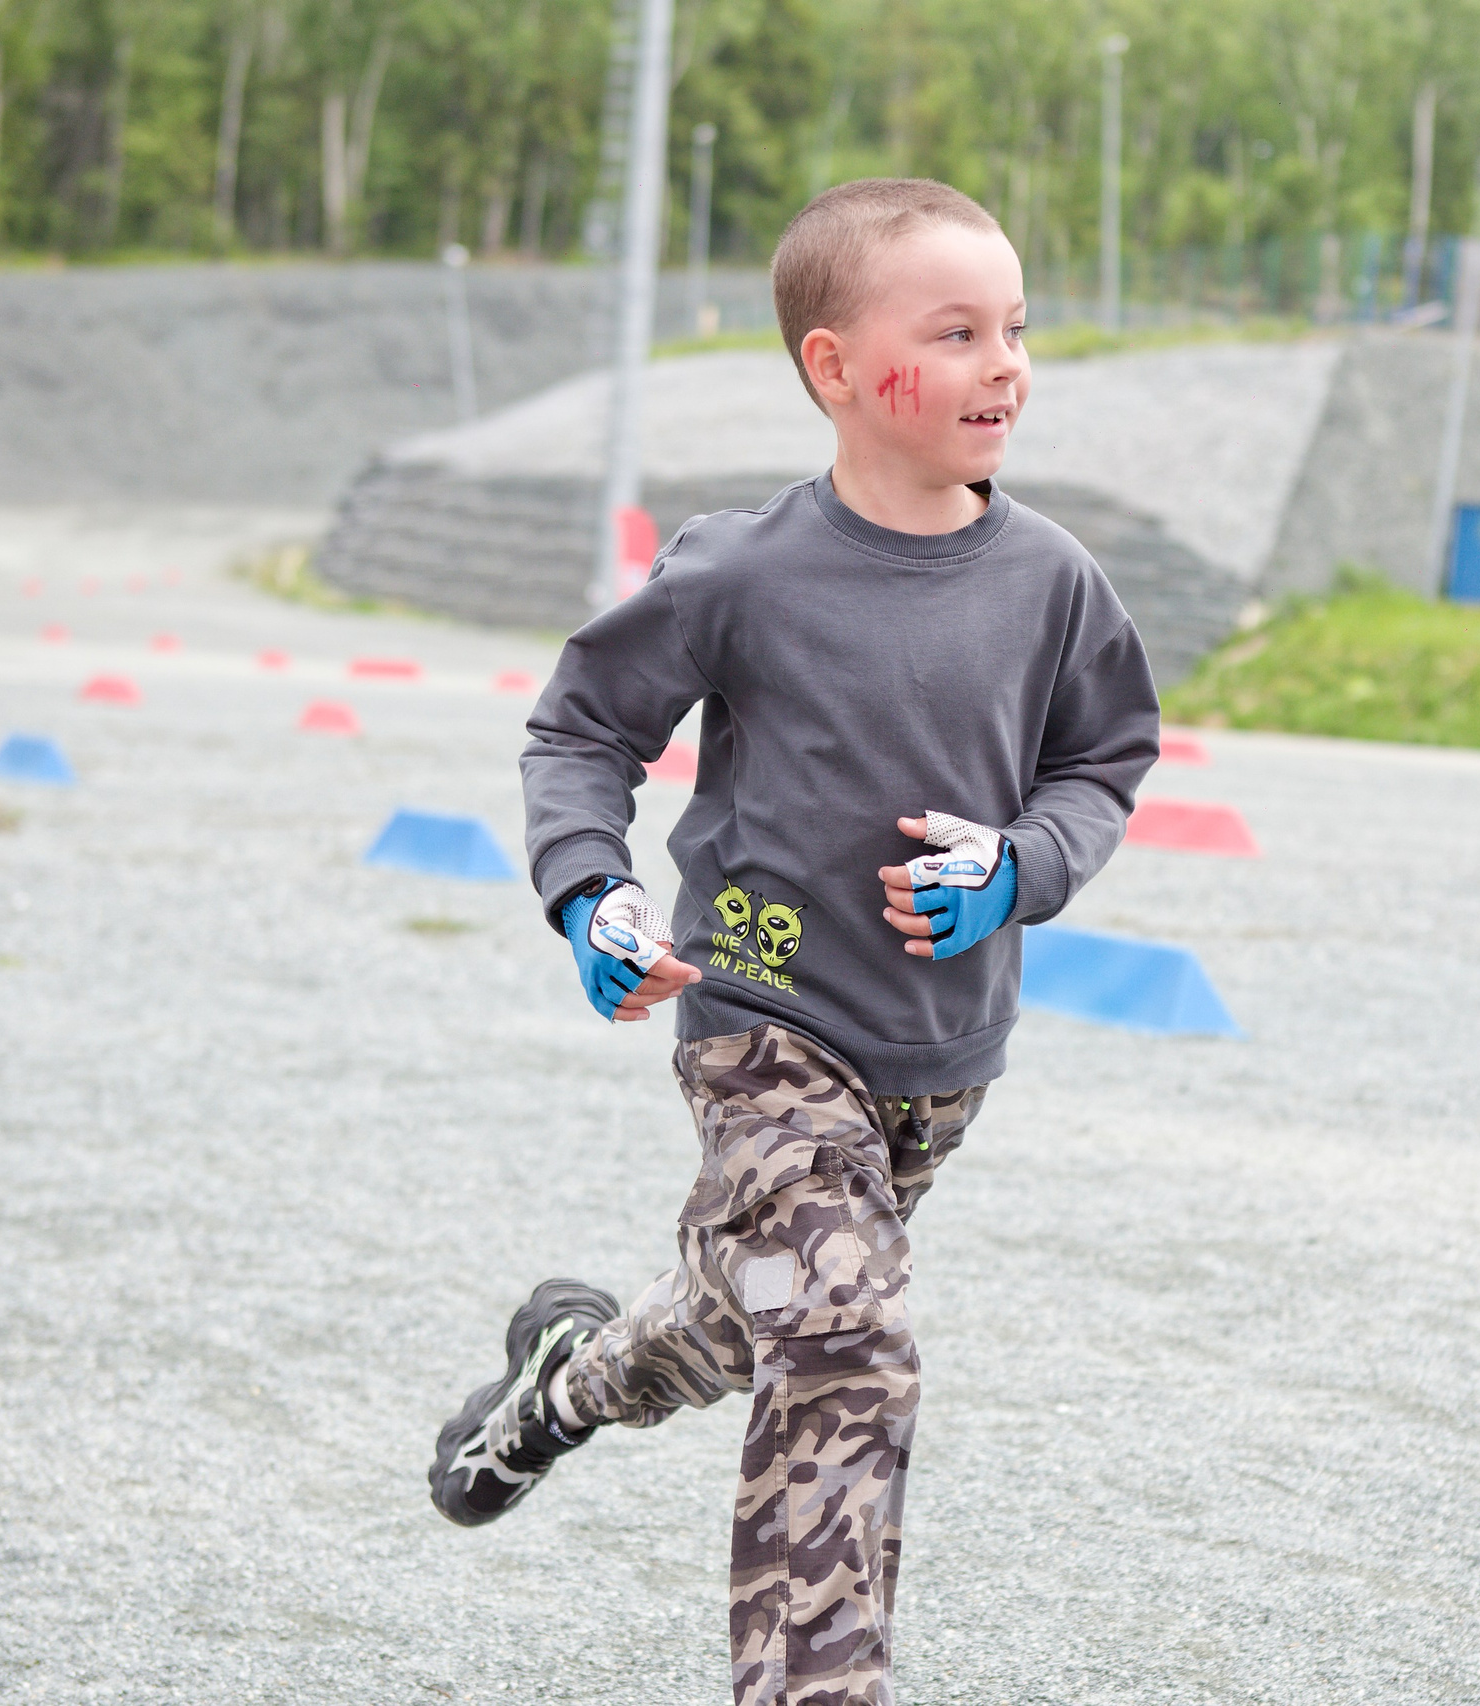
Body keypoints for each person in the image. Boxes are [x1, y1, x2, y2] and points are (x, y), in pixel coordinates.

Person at [427, 177, 1160, 1706]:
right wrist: (592, 893)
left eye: (1016, 328)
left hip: (941, 1057)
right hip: (762, 1023)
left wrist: (1021, 868)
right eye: (955, 334)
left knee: (747, 1314)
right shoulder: (743, 571)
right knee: (845, 1335)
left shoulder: (1054, 583)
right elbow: (580, 730)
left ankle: (555, 1390)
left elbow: (1102, 762)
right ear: (836, 367)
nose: (1005, 364)